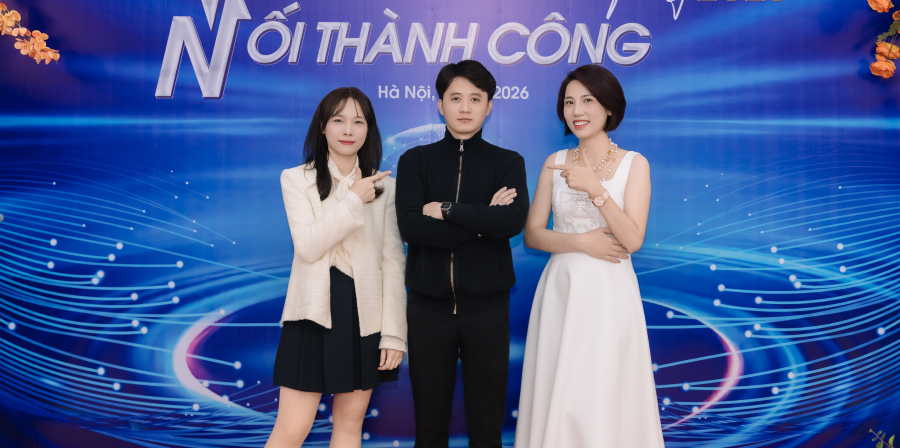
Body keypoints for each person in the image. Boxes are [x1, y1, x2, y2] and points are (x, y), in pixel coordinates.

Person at [514, 65, 664, 448]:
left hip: (610, 292)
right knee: (561, 389)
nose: (577, 110)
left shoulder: (635, 163)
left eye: (587, 100)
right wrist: (583, 242)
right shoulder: (555, 162)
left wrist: (596, 189)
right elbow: (532, 235)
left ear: (609, 108)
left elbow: (632, 239)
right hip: (561, 290)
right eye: (569, 102)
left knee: (603, 389)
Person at [395, 60, 529, 448]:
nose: (465, 107)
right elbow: (412, 228)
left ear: (489, 106)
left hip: (488, 309)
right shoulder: (415, 161)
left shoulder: (508, 162)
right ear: (440, 105)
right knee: (429, 428)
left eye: (475, 98)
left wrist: (447, 210)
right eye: (455, 98)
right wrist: (482, 220)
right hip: (427, 309)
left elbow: (512, 221)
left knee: (486, 429)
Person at [265, 87, 407, 448]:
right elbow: (308, 246)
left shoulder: (385, 187)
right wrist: (353, 200)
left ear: (369, 129)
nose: (348, 130)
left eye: (358, 121)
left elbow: (392, 263)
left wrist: (393, 334)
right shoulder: (296, 178)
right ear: (323, 127)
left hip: (365, 315)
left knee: (349, 424)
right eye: (338, 120)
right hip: (312, 314)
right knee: (292, 429)